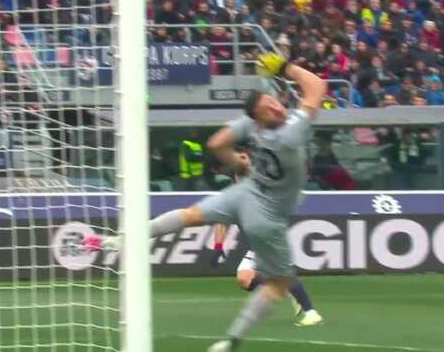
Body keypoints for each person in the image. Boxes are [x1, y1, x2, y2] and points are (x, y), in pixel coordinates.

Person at [83, 52, 327, 352]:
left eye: (274, 102)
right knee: (279, 283)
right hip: (268, 213)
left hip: (245, 192)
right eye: (269, 107)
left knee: (189, 216)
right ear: (259, 117)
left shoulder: (250, 125)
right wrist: (286, 67)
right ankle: (231, 340)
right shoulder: (290, 133)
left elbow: (216, 143)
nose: (277, 107)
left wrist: (236, 161)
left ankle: (119, 241)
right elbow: (317, 87)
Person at [210, 224, 324, 327]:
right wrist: (218, 247)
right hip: (256, 248)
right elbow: (221, 222)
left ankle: (311, 314)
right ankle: (287, 291)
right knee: (244, 279)